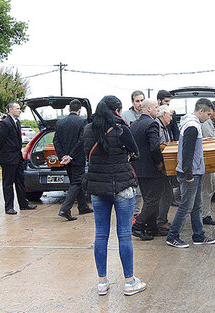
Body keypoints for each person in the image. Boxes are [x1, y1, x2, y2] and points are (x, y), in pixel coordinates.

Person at [83, 95, 146, 296]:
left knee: (101, 234)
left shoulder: (87, 130)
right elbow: (136, 153)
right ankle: (129, 282)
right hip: (122, 188)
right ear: (117, 110)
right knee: (124, 235)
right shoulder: (121, 129)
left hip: (97, 188)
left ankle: (102, 282)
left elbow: (87, 155)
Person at [166, 98, 215, 248]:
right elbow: (187, 152)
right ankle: (172, 236)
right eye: (208, 114)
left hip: (195, 172)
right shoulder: (193, 126)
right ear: (201, 111)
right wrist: (188, 174)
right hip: (191, 173)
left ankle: (198, 235)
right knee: (186, 206)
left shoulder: (190, 123)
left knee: (196, 206)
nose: (208, 118)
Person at [131, 99, 167, 241]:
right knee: (153, 198)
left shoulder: (135, 124)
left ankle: (152, 228)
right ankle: (138, 226)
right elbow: (154, 147)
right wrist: (159, 163)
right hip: (151, 168)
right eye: (156, 107)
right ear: (148, 109)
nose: (157, 110)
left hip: (139, 168)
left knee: (149, 198)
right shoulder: (152, 123)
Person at [0, 102, 37, 215]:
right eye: (17, 108)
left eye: (19, 109)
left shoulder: (17, 122)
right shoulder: (4, 123)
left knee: (20, 182)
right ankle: (9, 207)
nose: (19, 110)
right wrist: (1, 158)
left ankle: (23, 204)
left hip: (18, 158)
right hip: (8, 159)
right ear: (10, 110)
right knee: (8, 184)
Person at [53, 99, 92, 221]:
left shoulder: (60, 123)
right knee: (76, 182)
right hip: (77, 158)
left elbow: (56, 141)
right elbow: (81, 141)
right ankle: (65, 209)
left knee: (76, 181)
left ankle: (83, 206)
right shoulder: (82, 122)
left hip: (66, 160)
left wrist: (63, 156)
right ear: (79, 110)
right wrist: (71, 156)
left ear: (69, 109)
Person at [122, 91, 144, 217]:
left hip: (144, 156)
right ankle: (134, 214)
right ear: (132, 102)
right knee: (134, 188)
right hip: (131, 158)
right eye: (137, 101)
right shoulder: (125, 115)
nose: (140, 103)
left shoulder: (147, 114)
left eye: (142, 100)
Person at [201, 101, 215, 225]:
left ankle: (205, 213)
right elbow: (208, 143)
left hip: (209, 162)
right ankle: (204, 215)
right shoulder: (206, 124)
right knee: (207, 188)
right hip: (207, 162)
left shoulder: (209, 123)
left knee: (212, 186)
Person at [156, 105, 175, 231]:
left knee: (166, 193)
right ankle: (160, 221)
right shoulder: (157, 126)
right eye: (170, 115)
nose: (172, 118)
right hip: (159, 167)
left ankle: (161, 219)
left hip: (164, 167)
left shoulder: (164, 127)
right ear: (163, 114)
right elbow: (157, 147)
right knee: (165, 194)